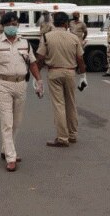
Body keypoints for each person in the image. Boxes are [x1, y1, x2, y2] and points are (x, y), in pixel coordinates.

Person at [0, 12, 43, 172]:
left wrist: (39, 81)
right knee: (7, 122)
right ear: (2, 26)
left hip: (21, 84)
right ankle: (11, 156)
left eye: (14, 23)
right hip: (2, 84)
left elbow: (33, 63)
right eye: (8, 24)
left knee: (17, 122)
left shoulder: (25, 43)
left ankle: (6, 149)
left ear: (18, 25)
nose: (12, 27)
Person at [36, 12, 87, 147]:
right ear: (66, 24)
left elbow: (40, 58)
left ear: (53, 22)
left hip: (54, 72)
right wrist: (83, 76)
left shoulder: (46, 37)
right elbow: (80, 59)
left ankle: (62, 137)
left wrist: (36, 76)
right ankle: (72, 134)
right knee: (71, 103)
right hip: (70, 72)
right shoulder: (74, 38)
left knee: (59, 105)